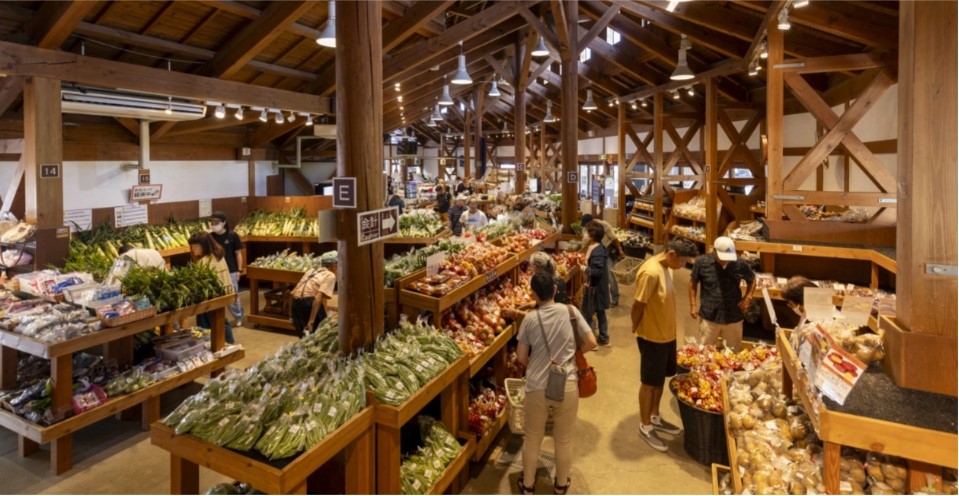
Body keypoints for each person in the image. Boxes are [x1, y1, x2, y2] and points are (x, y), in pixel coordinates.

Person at [515, 273, 597, 495]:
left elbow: (521, 357)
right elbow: (591, 342)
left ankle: (528, 486)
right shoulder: (571, 312)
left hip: (536, 386)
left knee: (533, 437)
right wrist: (573, 355)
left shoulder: (530, 319)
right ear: (554, 290)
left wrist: (536, 365)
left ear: (533, 294)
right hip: (567, 383)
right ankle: (560, 486)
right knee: (564, 438)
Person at [631, 237, 699, 452]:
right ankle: (645, 426)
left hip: (667, 334)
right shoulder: (650, 273)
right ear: (671, 254)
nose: (683, 266)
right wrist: (635, 326)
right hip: (652, 337)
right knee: (649, 383)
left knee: (659, 378)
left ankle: (654, 416)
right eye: (683, 261)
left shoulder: (667, 267)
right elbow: (638, 304)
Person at [689, 236, 756, 350]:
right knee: (705, 351)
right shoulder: (702, 262)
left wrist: (748, 297)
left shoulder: (740, 263)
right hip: (709, 314)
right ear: (714, 251)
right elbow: (693, 282)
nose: (726, 261)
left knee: (734, 352)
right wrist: (693, 305)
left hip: (734, 315)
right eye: (723, 258)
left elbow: (752, 279)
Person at [188, 232, 235, 345]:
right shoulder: (217, 254)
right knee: (217, 319)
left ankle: (226, 342)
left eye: (196, 247)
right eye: (192, 247)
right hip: (222, 293)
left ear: (205, 245)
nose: (193, 250)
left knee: (214, 320)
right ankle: (224, 342)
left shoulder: (205, 260)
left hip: (212, 297)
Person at [209, 211, 245, 327]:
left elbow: (238, 254)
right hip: (216, 271)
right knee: (217, 296)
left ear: (224, 222)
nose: (214, 225)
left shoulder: (232, 235)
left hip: (231, 270)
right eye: (212, 223)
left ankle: (238, 316)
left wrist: (239, 270)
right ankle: (218, 320)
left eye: (216, 223)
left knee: (233, 296)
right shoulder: (210, 237)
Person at [290, 251, 338, 336]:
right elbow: (317, 298)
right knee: (321, 334)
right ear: (333, 265)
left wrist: (291, 316)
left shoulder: (310, 271)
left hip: (295, 303)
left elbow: (293, 293)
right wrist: (311, 322)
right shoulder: (330, 275)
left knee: (304, 337)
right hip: (309, 304)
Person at [581, 214, 623, 307]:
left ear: (592, 222)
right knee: (595, 277)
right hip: (595, 254)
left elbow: (614, 239)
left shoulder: (604, 225)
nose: (586, 228)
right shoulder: (585, 230)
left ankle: (615, 298)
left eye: (587, 225)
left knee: (610, 276)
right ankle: (596, 299)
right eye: (585, 226)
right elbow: (584, 245)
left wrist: (620, 250)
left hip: (607, 252)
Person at [582, 221, 611, 346]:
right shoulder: (594, 247)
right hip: (595, 286)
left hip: (597, 288)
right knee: (598, 311)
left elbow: (597, 271)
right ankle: (602, 337)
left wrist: (584, 268)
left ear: (592, 235)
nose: (584, 234)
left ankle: (594, 340)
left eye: (587, 232)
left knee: (591, 311)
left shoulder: (598, 251)